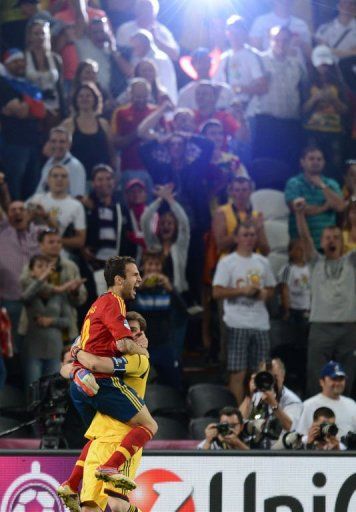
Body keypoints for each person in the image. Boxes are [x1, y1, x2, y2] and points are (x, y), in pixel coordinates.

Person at [67, 256, 158, 488]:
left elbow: (77, 349)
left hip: (84, 382)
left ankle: (71, 483)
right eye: (134, 274)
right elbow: (123, 345)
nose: (140, 279)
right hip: (101, 381)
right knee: (149, 425)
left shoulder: (96, 305)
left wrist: (77, 364)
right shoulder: (114, 302)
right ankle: (111, 466)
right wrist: (143, 352)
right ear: (119, 279)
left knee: (98, 435)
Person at [58, 311, 150, 512]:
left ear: (142, 336)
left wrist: (77, 351)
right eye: (126, 331)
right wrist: (75, 368)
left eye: (134, 331)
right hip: (99, 438)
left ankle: (72, 483)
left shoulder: (138, 359)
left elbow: (97, 364)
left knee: (117, 505)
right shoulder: (107, 353)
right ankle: (71, 483)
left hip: (124, 438)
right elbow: (64, 369)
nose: (129, 336)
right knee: (89, 508)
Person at [294, 199, 356, 395]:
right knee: (316, 376)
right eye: (327, 237)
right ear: (321, 241)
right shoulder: (315, 262)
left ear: (342, 241)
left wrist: (353, 219)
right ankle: (316, 418)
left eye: (336, 237)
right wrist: (299, 214)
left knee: (347, 376)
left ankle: (345, 418)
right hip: (321, 326)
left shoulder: (352, 261)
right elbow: (304, 237)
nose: (331, 241)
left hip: (349, 326)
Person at [212, 222, 276, 403]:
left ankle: (259, 416)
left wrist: (265, 293)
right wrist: (242, 291)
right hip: (236, 323)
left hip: (260, 323)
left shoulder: (263, 262)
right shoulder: (227, 262)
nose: (249, 238)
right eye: (245, 234)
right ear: (237, 237)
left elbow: (272, 289)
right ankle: (238, 416)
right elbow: (216, 292)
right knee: (238, 372)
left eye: (252, 234)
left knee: (262, 374)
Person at [249, 26, 307, 171]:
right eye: (277, 40)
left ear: (290, 42)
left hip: (291, 123)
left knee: (290, 166)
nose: (281, 44)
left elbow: (303, 91)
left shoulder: (297, 65)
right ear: (270, 40)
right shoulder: (259, 61)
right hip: (267, 122)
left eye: (285, 40)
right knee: (266, 166)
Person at [20, 228, 87, 340]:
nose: (56, 245)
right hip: (35, 327)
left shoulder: (71, 267)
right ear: (41, 245)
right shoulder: (30, 266)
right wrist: (59, 289)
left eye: (59, 242)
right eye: (51, 242)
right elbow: (26, 289)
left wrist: (75, 292)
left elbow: (81, 299)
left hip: (64, 329)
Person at [0, 48, 46, 199]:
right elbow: (22, 111)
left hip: (33, 142)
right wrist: (33, 105)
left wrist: (28, 105)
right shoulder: (3, 84)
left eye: (21, 60)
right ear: (5, 64)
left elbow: (42, 112)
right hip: (13, 143)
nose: (19, 64)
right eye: (14, 62)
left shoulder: (28, 84)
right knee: (14, 188)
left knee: (33, 188)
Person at [21, 254, 72, 388]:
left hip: (54, 349)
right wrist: (42, 278)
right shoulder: (29, 290)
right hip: (33, 349)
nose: (44, 270)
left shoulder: (59, 294)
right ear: (31, 271)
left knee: (51, 393)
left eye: (46, 267)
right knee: (32, 391)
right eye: (39, 267)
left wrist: (51, 321)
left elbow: (67, 321)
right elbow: (25, 297)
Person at [0, 197, 44, 351]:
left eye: (21, 209)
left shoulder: (38, 232)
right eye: (13, 210)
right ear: (8, 215)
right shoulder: (2, 232)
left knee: (35, 346)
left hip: (37, 300)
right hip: (10, 300)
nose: (17, 213)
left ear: (28, 213)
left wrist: (44, 216)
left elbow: (57, 234)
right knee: (11, 346)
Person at [133, 249, 182, 386]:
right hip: (142, 346)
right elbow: (124, 310)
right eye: (150, 264)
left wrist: (171, 289)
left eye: (157, 264)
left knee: (175, 384)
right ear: (143, 267)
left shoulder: (167, 289)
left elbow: (183, 312)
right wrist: (139, 288)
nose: (153, 268)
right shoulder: (135, 290)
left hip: (164, 344)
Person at [285, 145, 344, 250]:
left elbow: (340, 207)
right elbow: (298, 209)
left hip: (328, 246)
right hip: (301, 246)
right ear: (302, 162)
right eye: (311, 158)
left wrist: (322, 185)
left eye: (319, 159)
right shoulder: (294, 183)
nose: (316, 162)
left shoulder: (331, 184)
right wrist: (324, 207)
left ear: (324, 162)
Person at [303, 45, 348, 176]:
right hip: (312, 131)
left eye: (326, 64)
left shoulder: (339, 84)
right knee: (312, 165)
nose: (323, 67)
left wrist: (334, 100)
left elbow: (346, 111)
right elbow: (302, 110)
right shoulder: (307, 83)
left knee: (334, 167)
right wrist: (315, 99)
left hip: (334, 132)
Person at [215, 15, 268, 118]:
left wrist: (239, 89)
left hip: (248, 111)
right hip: (226, 110)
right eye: (232, 33)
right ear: (227, 34)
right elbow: (217, 83)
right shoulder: (224, 58)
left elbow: (263, 87)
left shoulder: (252, 55)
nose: (235, 37)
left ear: (245, 33)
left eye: (238, 33)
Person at [141, 184, 190, 294]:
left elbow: (184, 223)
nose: (166, 226)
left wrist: (170, 200)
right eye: (162, 223)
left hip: (176, 293)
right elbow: (144, 221)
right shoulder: (153, 244)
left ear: (175, 227)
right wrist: (160, 199)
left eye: (170, 223)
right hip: (154, 291)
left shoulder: (180, 247)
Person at [62, 82, 115, 180]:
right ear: (76, 100)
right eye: (81, 96)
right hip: (77, 178)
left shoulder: (104, 124)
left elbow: (111, 151)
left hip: (101, 180)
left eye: (88, 96)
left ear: (95, 99)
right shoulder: (68, 124)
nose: (84, 99)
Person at [28, 165, 87, 254]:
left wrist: (54, 242)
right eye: (55, 176)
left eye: (64, 176)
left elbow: (80, 241)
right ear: (48, 179)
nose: (59, 179)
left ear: (69, 181)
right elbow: (23, 223)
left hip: (59, 257)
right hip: (32, 254)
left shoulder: (76, 205)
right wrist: (32, 215)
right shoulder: (36, 199)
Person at [277, 239, 310, 389]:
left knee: (305, 347)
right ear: (291, 252)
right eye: (297, 248)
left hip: (308, 311)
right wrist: (287, 310)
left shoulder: (311, 268)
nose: (301, 251)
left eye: (303, 248)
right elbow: (284, 290)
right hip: (294, 312)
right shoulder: (287, 269)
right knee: (293, 346)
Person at [240, 358, 303, 434]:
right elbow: (239, 422)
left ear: (283, 376)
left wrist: (273, 403)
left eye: (275, 377)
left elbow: (291, 427)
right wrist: (249, 396)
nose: (271, 382)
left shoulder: (293, 401)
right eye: (266, 377)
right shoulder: (256, 395)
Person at [75, 16, 132, 100]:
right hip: (90, 95)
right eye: (95, 32)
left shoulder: (117, 50)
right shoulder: (83, 45)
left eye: (102, 32)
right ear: (89, 33)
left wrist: (113, 50)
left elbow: (130, 73)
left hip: (114, 96)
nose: (99, 35)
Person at [213, 176, 269, 258]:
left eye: (244, 190)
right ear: (231, 192)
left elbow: (266, 251)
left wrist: (259, 229)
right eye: (237, 190)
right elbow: (220, 245)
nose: (240, 193)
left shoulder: (256, 215)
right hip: (230, 261)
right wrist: (243, 227)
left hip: (252, 260)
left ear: (250, 192)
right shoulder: (222, 212)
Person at [111, 78, 157, 177]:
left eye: (144, 96)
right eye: (138, 96)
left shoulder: (156, 112)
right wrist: (138, 132)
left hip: (154, 167)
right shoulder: (121, 113)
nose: (141, 100)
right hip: (129, 168)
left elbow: (163, 136)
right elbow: (116, 143)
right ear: (130, 95)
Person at [297, 361, 356, 439]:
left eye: (341, 379)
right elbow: (300, 436)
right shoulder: (308, 405)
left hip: (347, 450)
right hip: (319, 450)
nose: (338, 383)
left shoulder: (352, 404)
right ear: (322, 382)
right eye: (334, 379)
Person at [24, 20, 65, 126]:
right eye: (36, 34)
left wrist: (63, 110)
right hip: (33, 109)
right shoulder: (24, 58)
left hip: (55, 107)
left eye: (43, 33)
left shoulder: (55, 58)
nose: (40, 37)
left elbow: (60, 86)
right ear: (30, 36)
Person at [129, 29, 178, 104]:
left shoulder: (159, 59)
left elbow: (162, 84)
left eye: (137, 46)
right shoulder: (139, 58)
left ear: (145, 44)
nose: (135, 49)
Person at [36, 126, 86, 197]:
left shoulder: (75, 166)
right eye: (53, 141)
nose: (57, 145)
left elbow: (78, 197)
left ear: (69, 145)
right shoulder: (48, 163)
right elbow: (39, 192)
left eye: (62, 142)